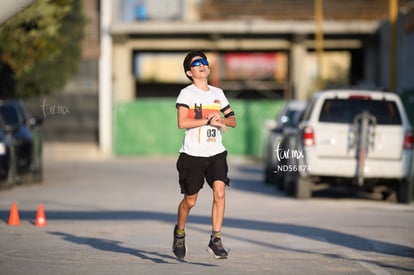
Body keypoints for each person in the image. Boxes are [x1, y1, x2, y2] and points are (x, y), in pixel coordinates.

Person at [173, 50, 237, 259]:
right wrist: (207, 121)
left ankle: (215, 240)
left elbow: (232, 121)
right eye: (196, 63)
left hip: (216, 152)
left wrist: (221, 120)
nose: (202, 65)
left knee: (220, 192)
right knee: (190, 201)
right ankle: (180, 232)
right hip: (192, 155)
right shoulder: (187, 94)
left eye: (204, 62)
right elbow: (182, 123)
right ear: (189, 72)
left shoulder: (218, 93)